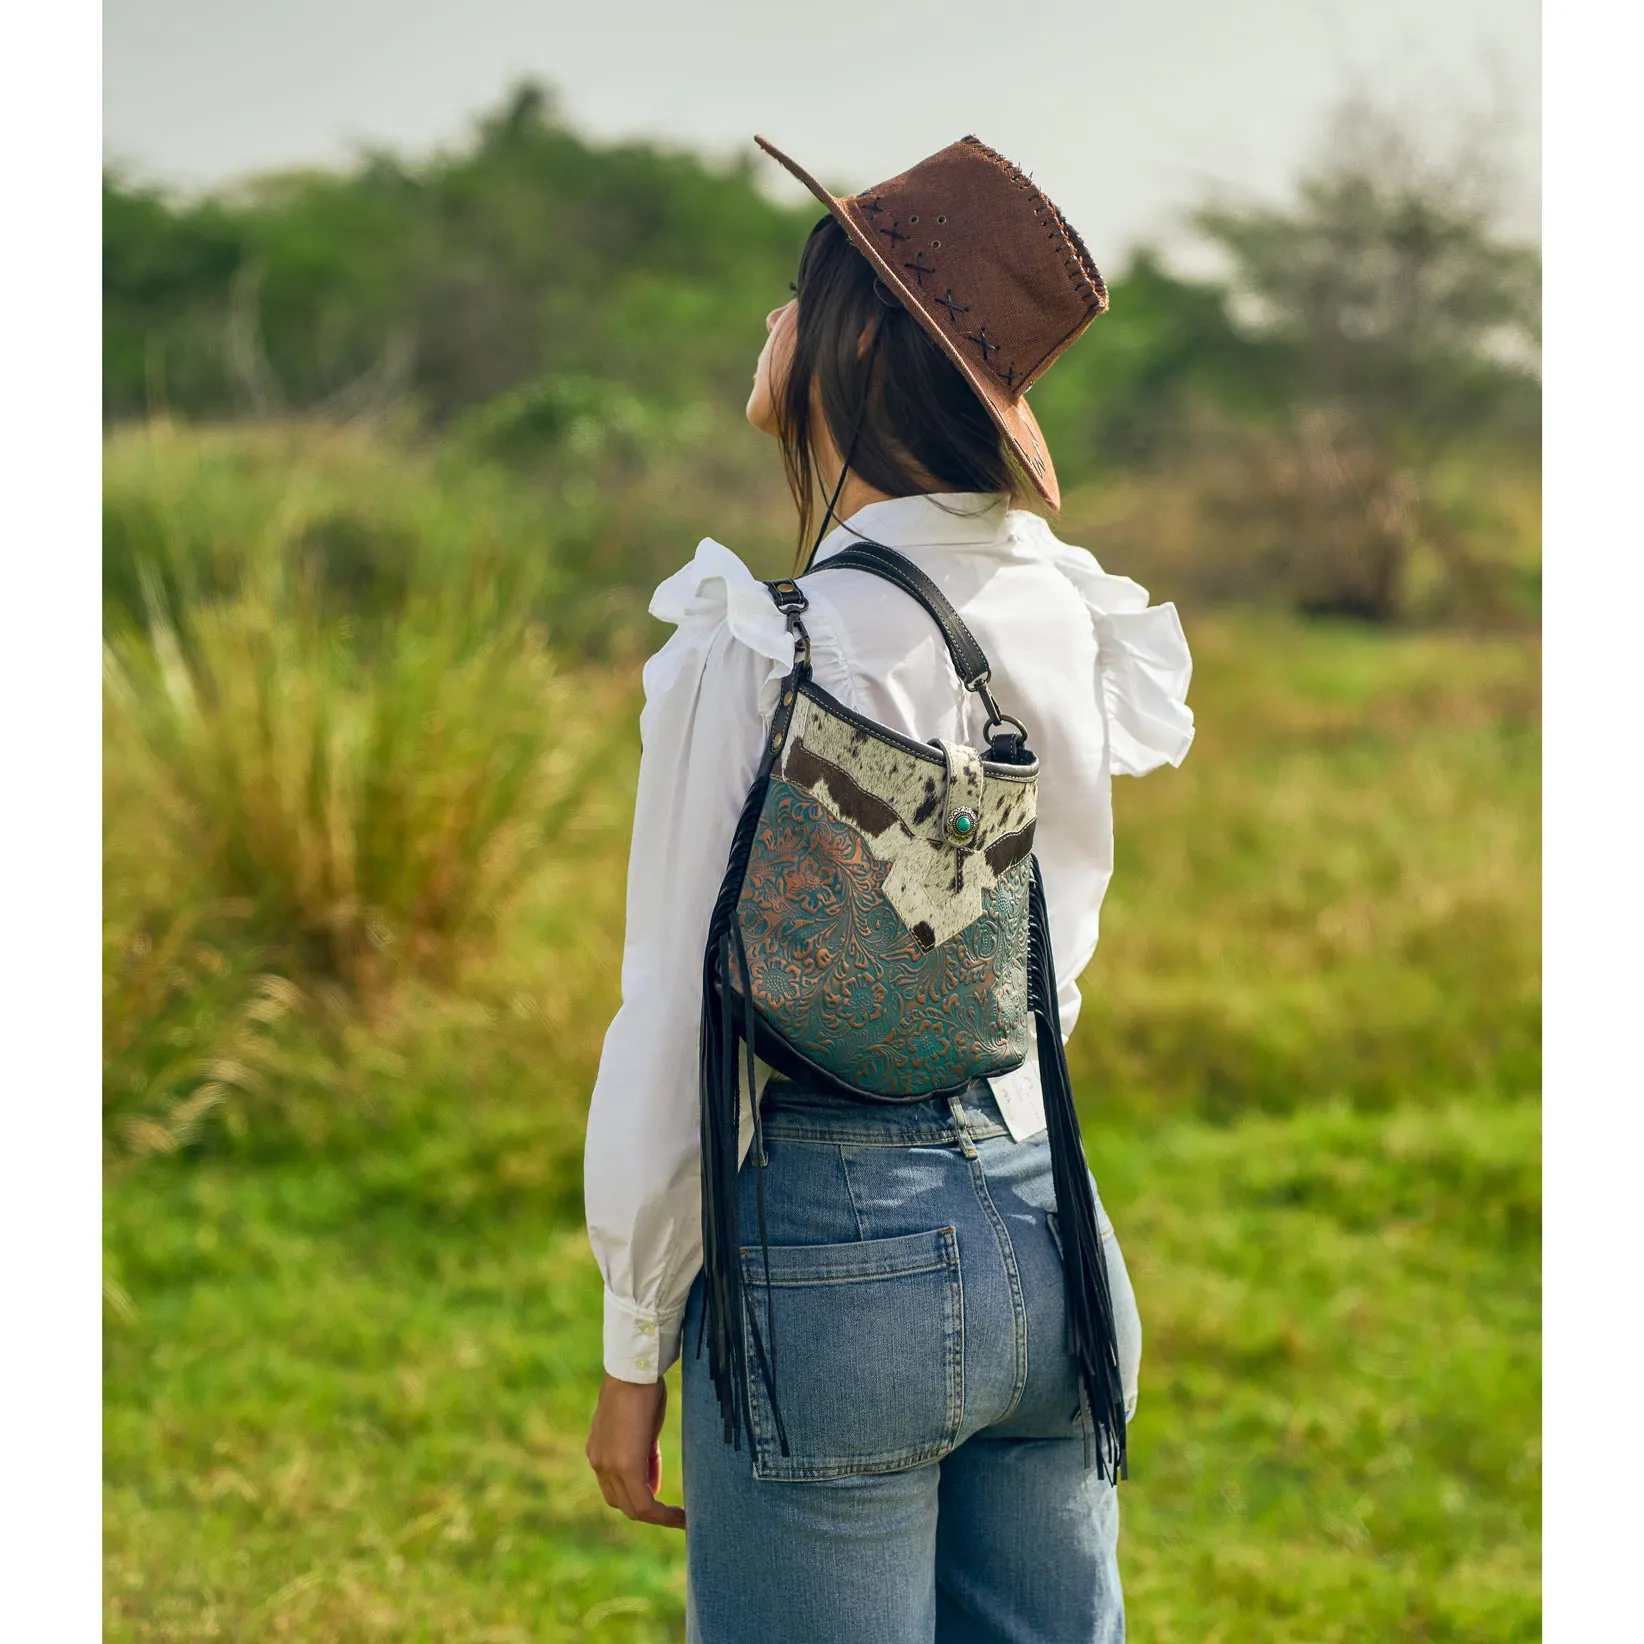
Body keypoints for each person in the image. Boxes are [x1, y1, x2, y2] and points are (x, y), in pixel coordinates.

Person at [583, 134, 1194, 1643]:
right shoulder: (1064, 606)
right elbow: (1051, 950)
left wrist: (633, 1335)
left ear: (848, 342)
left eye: (794, 298)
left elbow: (675, 1008)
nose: (769, 328)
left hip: (834, 1249)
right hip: (1054, 1223)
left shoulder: (763, 640)